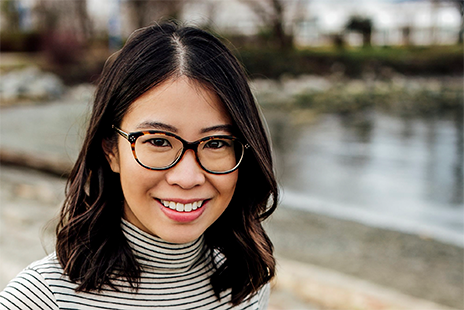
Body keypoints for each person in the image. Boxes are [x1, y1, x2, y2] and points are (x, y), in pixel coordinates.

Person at [0, 22, 278, 309]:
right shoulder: (40, 299)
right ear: (110, 150)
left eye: (216, 143)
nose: (187, 177)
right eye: (158, 141)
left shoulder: (246, 284)